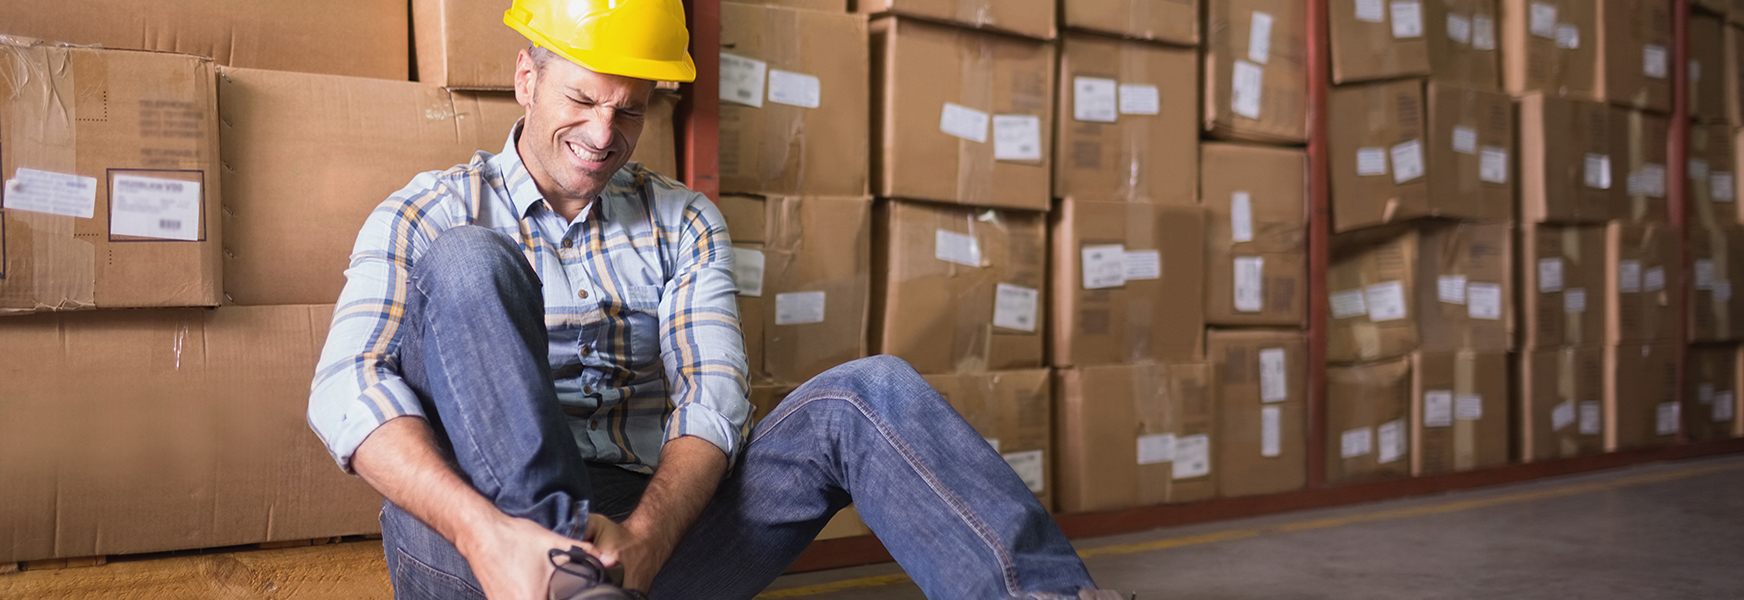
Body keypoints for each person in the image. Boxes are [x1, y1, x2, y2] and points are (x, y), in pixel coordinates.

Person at [307, 1, 1121, 598]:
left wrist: (645, 541)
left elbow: (714, 400)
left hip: (648, 532)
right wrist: (490, 535)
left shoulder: (683, 220)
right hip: (476, 548)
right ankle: (559, 574)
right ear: (528, 78)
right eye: (583, 100)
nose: (603, 133)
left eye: (629, 111)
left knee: (866, 393)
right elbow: (347, 385)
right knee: (468, 265)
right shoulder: (429, 211)